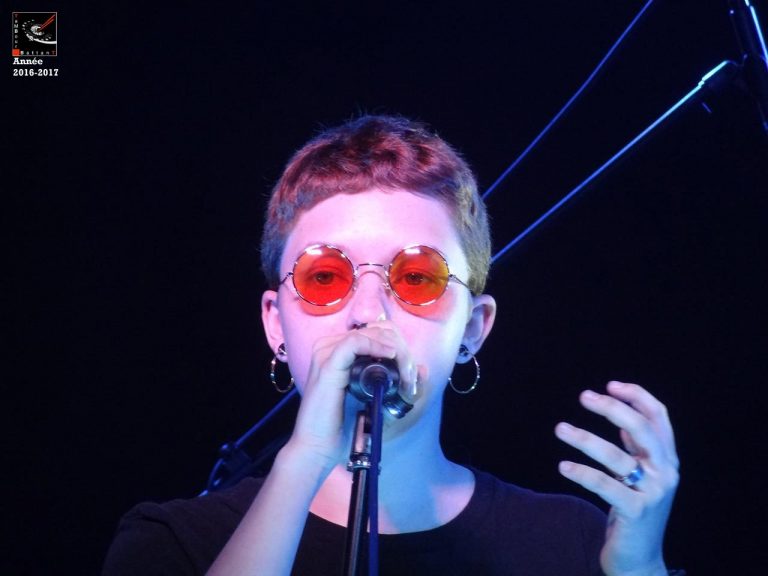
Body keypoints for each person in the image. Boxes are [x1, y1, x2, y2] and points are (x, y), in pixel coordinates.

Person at [103, 115, 681, 575]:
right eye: (325, 277)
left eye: (417, 278)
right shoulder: (176, 543)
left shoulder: (571, 544)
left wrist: (638, 569)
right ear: (275, 324)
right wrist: (305, 460)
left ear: (473, 328)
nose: (368, 312)